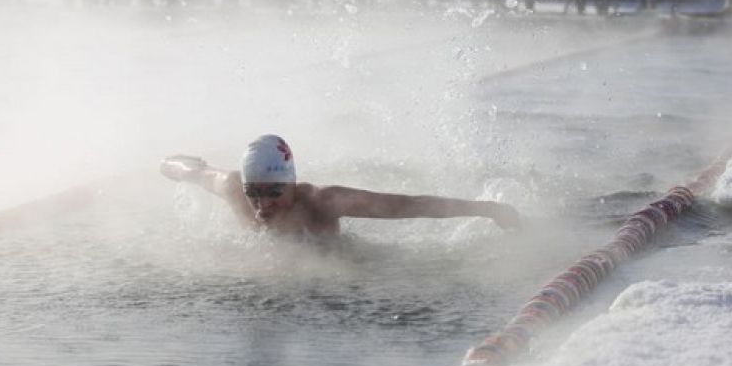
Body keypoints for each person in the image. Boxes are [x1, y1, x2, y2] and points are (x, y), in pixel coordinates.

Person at [160, 135, 521, 237]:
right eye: (254, 192)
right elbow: (193, 171)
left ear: (293, 184)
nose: (261, 204)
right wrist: (169, 163)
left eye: (274, 192)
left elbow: (407, 206)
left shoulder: (322, 202)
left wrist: (487, 209)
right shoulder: (233, 187)